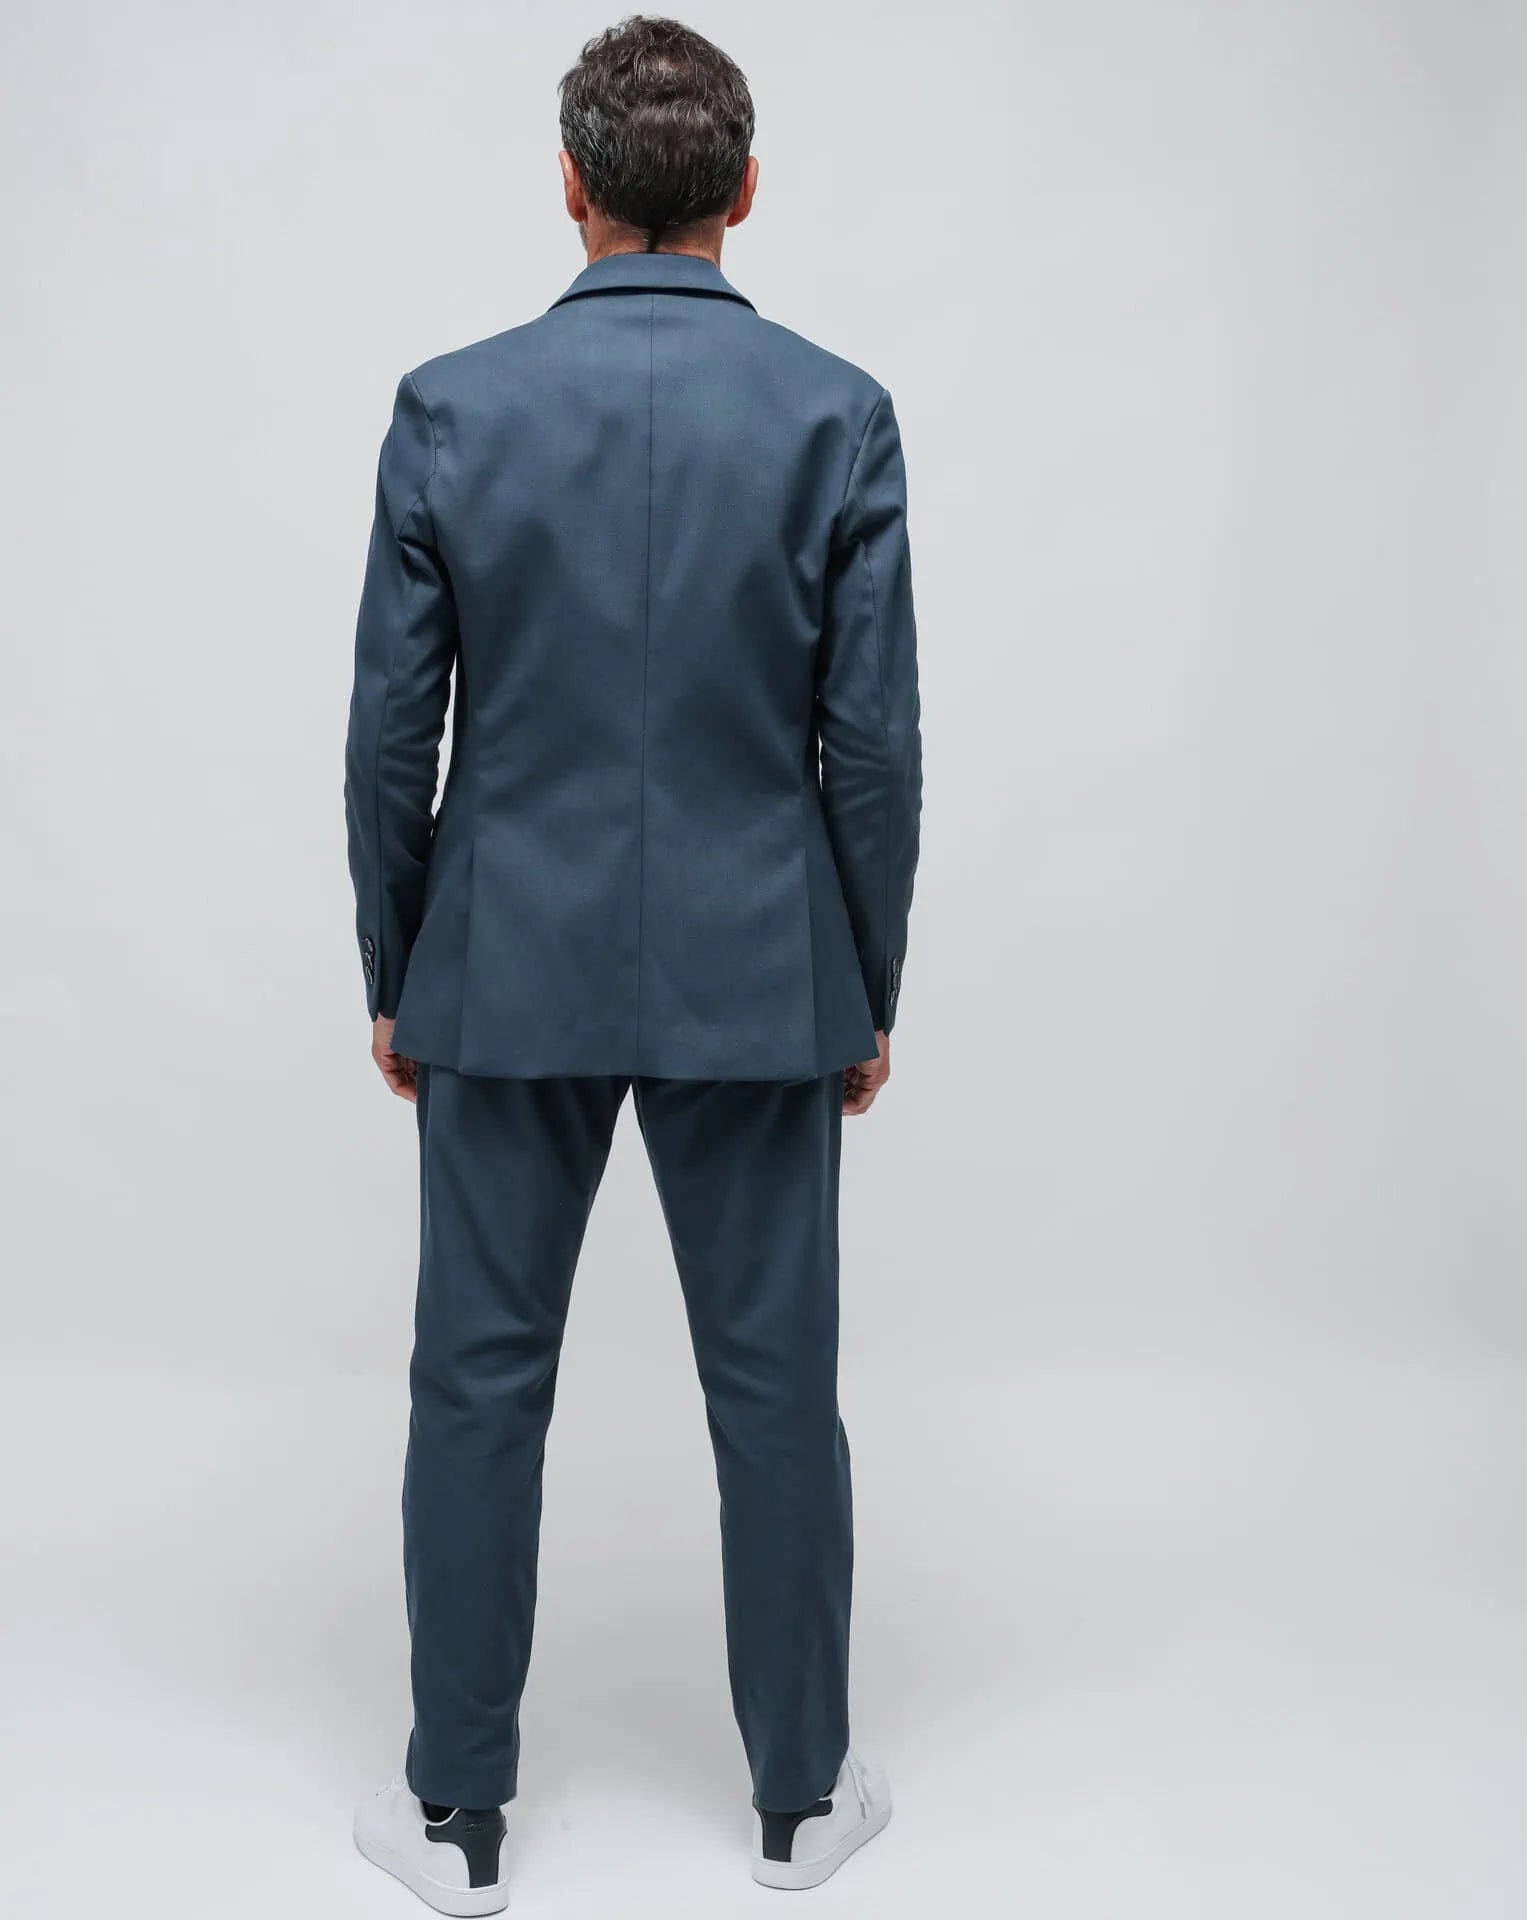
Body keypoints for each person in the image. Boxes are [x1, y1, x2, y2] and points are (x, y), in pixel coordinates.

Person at [343, 16, 921, 1912]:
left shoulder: (451, 404)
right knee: (776, 1389)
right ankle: (799, 1805)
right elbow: (875, 746)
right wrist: (867, 982)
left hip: (502, 960)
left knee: (476, 1386)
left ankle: (456, 1820)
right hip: (765, 970)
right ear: (745, 194)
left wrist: (397, 957)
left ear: (572, 188)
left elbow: (387, 737)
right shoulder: (836, 414)